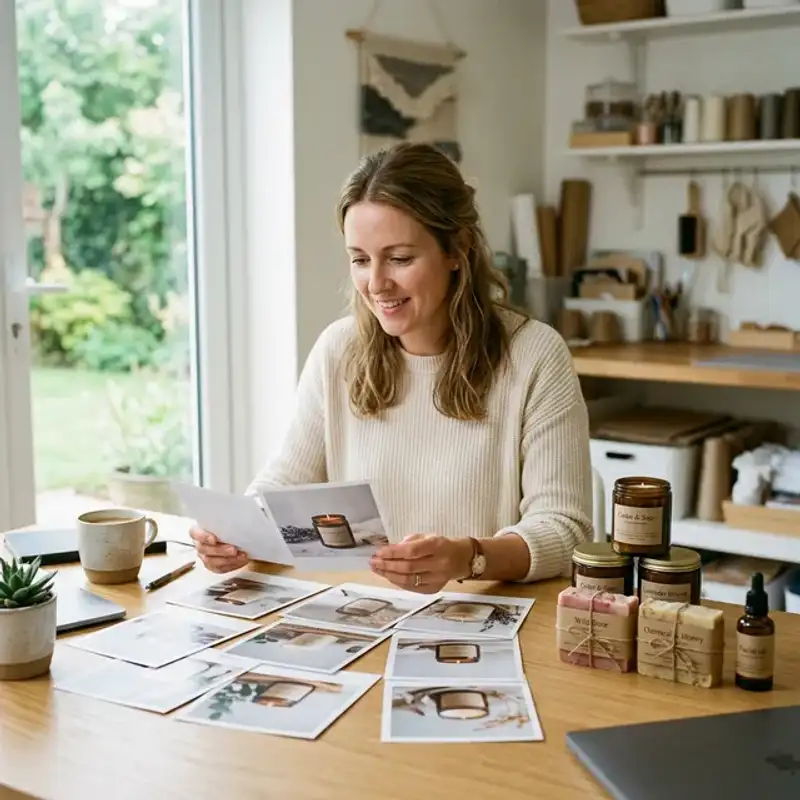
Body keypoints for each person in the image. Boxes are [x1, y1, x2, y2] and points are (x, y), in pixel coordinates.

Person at [191, 141, 593, 592]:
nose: (376, 283)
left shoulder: (536, 354)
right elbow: (284, 485)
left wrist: (469, 556)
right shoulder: (338, 349)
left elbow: (566, 529)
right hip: (364, 610)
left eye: (400, 258)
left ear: (456, 249)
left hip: (480, 615)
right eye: (360, 260)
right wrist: (235, 534)